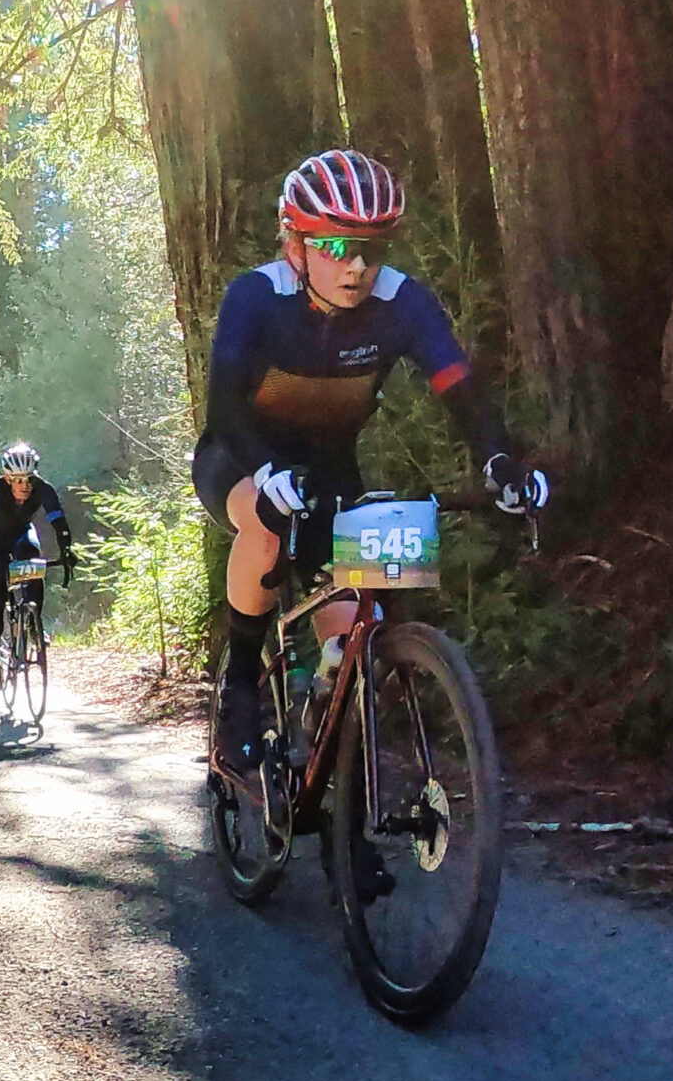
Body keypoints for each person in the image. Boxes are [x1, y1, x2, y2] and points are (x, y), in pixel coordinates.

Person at [197, 149, 548, 784]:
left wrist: (500, 461)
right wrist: (265, 469)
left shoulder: (402, 302)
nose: (356, 265)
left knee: (355, 647)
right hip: (242, 451)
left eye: (372, 247)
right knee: (268, 524)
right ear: (295, 243)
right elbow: (222, 404)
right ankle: (241, 686)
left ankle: (343, 807)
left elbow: (459, 388)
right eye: (334, 244)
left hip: (331, 464)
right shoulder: (256, 296)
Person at [0, 444, 77, 690]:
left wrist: (66, 549)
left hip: (21, 536)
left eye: (29, 479)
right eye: (18, 480)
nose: (25, 486)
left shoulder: (43, 489)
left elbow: (58, 519)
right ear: (7, 478)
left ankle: (32, 625)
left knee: (34, 561)